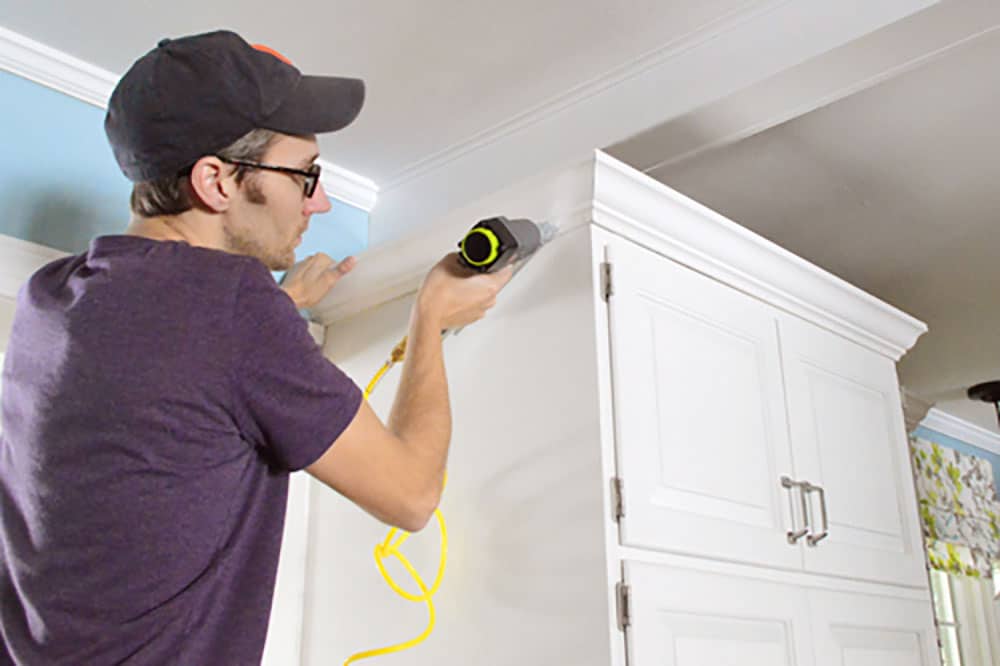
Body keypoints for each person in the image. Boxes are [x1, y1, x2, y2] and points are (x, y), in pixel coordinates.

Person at [0, 30, 512, 665]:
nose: (319, 202)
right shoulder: (235, 308)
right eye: (305, 176)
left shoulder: (48, 298)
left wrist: (283, 305)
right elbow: (410, 495)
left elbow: (168, 370)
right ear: (216, 181)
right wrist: (429, 318)